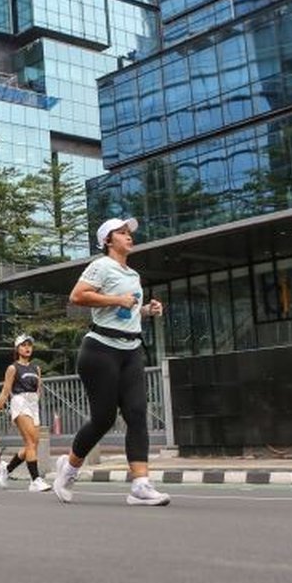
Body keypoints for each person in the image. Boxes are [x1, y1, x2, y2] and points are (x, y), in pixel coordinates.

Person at [54, 217, 169, 506]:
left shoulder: (133, 274)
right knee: (103, 419)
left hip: (130, 350)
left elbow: (125, 312)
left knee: (136, 412)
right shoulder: (101, 265)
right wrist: (117, 300)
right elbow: (77, 296)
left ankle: (141, 484)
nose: (128, 236)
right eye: (122, 233)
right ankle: (69, 468)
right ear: (108, 240)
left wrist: (145, 310)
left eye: (129, 233)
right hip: (100, 350)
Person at [0, 334, 50, 492]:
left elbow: (39, 389)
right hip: (20, 402)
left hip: (33, 404)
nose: (27, 348)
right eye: (23, 345)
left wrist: (36, 401)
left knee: (33, 444)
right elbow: (5, 392)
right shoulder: (13, 368)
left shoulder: (36, 368)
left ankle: (6, 469)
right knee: (30, 442)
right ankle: (35, 480)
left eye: (29, 345)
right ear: (17, 349)